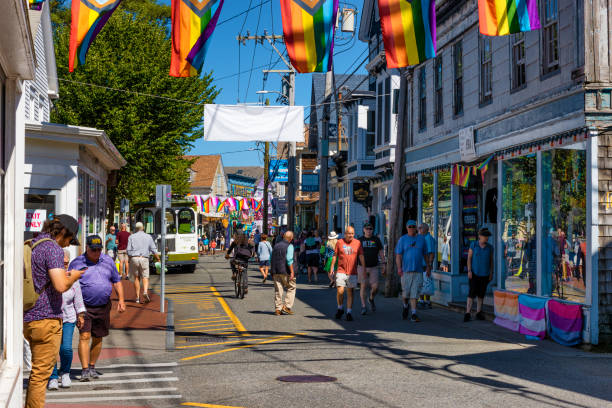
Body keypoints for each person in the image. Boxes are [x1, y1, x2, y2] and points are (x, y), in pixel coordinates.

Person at [24, 215, 85, 408]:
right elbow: (60, 285)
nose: (67, 245)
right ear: (63, 233)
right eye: (69, 240)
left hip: (29, 316)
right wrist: (73, 277)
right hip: (46, 318)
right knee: (40, 376)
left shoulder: (34, 243)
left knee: (36, 372)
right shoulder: (53, 249)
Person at [70, 235, 125, 381]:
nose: (96, 252)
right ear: (86, 248)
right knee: (84, 336)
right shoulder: (77, 263)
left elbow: (117, 281)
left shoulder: (107, 261)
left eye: (99, 249)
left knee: (98, 337)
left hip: (103, 306)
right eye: (93, 250)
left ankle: (92, 366)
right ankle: (85, 369)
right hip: (84, 307)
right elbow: (69, 284)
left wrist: (121, 299)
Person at [47, 249, 86, 390]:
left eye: (66, 262)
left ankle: (65, 373)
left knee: (66, 348)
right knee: (52, 349)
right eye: (61, 262)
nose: (64, 265)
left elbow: (78, 299)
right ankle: (52, 377)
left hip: (68, 318)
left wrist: (81, 315)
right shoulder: (49, 277)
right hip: (51, 317)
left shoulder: (72, 277)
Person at [395, 220, 430, 322]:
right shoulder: (402, 240)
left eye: (413, 226)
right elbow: (398, 255)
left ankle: (414, 314)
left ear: (416, 228)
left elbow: (425, 254)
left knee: (414, 293)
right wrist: (399, 268)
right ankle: (405, 305)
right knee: (406, 294)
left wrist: (428, 266)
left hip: (418, 270)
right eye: (409, 226)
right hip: (406, 271)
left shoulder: (421, 239)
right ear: (406, 228)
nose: (411, 228)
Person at [330, 226, 366, 321]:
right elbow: (335, 256)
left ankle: (349, 312)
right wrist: (332, 268)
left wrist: (364, 269)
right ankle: (340, 308)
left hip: (352, 272)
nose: (350, 235)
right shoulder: (339, 242)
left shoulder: (357, 243)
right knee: (340, 291)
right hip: (341, 270)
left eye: (352, 233)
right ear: (345, 233)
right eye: (349, 233)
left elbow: (361, 256)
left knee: (350, 292)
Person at [464, 228, 494, 322]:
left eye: (487, 237)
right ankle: (467, 313)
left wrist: (491, 272)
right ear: (480, 236)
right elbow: (469, 258)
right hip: (474, 273)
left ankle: (478, 312)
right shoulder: (474, 245)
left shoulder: (490, 247)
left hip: (485, 274)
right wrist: (469, 270)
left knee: (481, 294)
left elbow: (491, 261)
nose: (487, 238)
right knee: (471, 293)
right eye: (485, 236)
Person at [126, 222, 160, 304]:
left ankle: (137, 297)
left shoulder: (131, 237)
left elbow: (128, 250)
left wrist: (130, 259)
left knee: (136, 278)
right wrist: (158, 259)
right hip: (144, 258)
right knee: (145, 277)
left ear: (136, 228)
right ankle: (145, 291)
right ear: (143, 228)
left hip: (134, 258)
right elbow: (153, 249)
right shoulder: (148, 237)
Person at [358, 223, 385, 315]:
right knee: (363, 286)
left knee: (375, 287)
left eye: (370, 228)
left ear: (372, 230)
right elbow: (355, 253)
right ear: (363, 229)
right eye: (367, 228)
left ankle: (371, 298)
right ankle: (363, 306)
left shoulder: (376, 239)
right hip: (362, 266)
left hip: (374, 266)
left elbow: (381, 251)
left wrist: (383, 263)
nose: (369, 230)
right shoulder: (360, 240)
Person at [271, 231, 297, 315]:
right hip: (285, 271)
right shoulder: (290, 246)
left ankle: (278, 309)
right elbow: (289, 260)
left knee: (278, 290)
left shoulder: (276, 245)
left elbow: (271, 258)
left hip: (276, 270)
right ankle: (287, 306)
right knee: (291, 287)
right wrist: (292, 272)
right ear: (291, 238)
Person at [418, 223, 436, 310]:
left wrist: (429, 266)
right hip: (421, 264)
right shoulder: (422, 238)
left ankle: (425, 302)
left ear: (425, 229)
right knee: (423, 283)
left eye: (420, 228)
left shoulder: (428, 239)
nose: (419, 229)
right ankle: (424, 301)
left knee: (425, 283)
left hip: (425, 265)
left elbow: (431, 253)